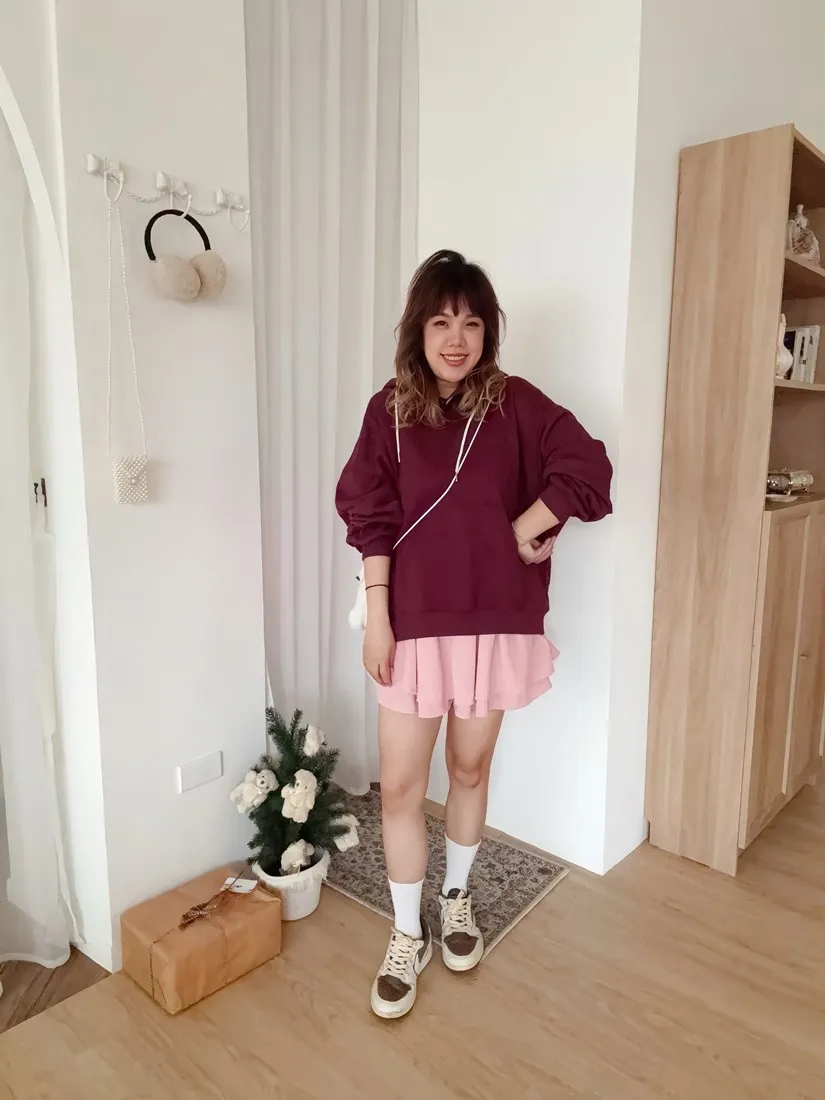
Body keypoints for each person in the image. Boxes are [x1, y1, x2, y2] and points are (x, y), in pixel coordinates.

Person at [335, 250, 612, 1020]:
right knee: (398, 786)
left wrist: (532, 522)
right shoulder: (388, 411)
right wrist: (378, 617)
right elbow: (370, 516)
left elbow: (588, 467)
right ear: (417, 331)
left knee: (466, 768)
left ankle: (455, 899)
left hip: (493, 619)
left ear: (487, 331)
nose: (455, 338)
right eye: (439, 322)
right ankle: (406, 932)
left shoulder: (516, 404)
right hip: (413, 623)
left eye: (469, 323)